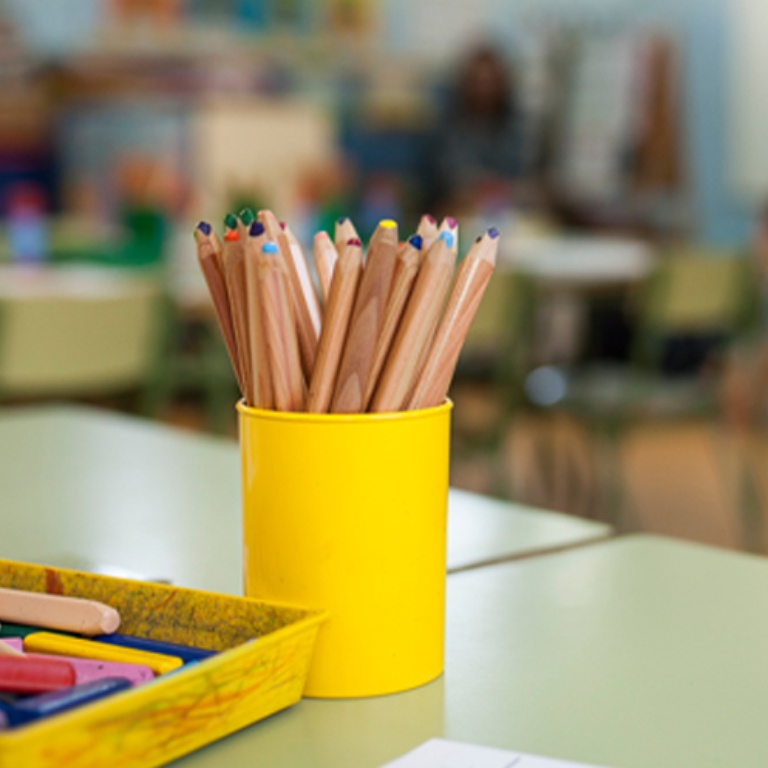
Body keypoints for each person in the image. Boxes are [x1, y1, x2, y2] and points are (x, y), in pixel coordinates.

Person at [429, 43, 526, 215]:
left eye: (490, 82)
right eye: (478, 81)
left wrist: (501, 190)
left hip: (509, 214)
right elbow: (450, 177)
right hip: (458, 214)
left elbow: (523, 175)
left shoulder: (515, 124)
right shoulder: (450, 123)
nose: (484, 89)